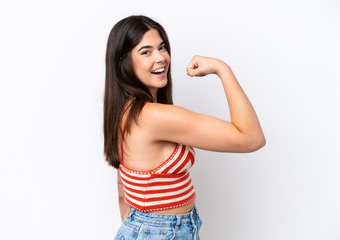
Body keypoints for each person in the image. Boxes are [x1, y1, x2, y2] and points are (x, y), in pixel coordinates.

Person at [104, 15, 266, 239]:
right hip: (164, 232)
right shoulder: (153, 116)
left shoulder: (123, 110)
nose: (160, 58)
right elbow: (252, 138)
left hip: (148, 228)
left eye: (162, 47)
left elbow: (123, 190)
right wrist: (223, 69)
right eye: (146, 52)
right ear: (124, 62)